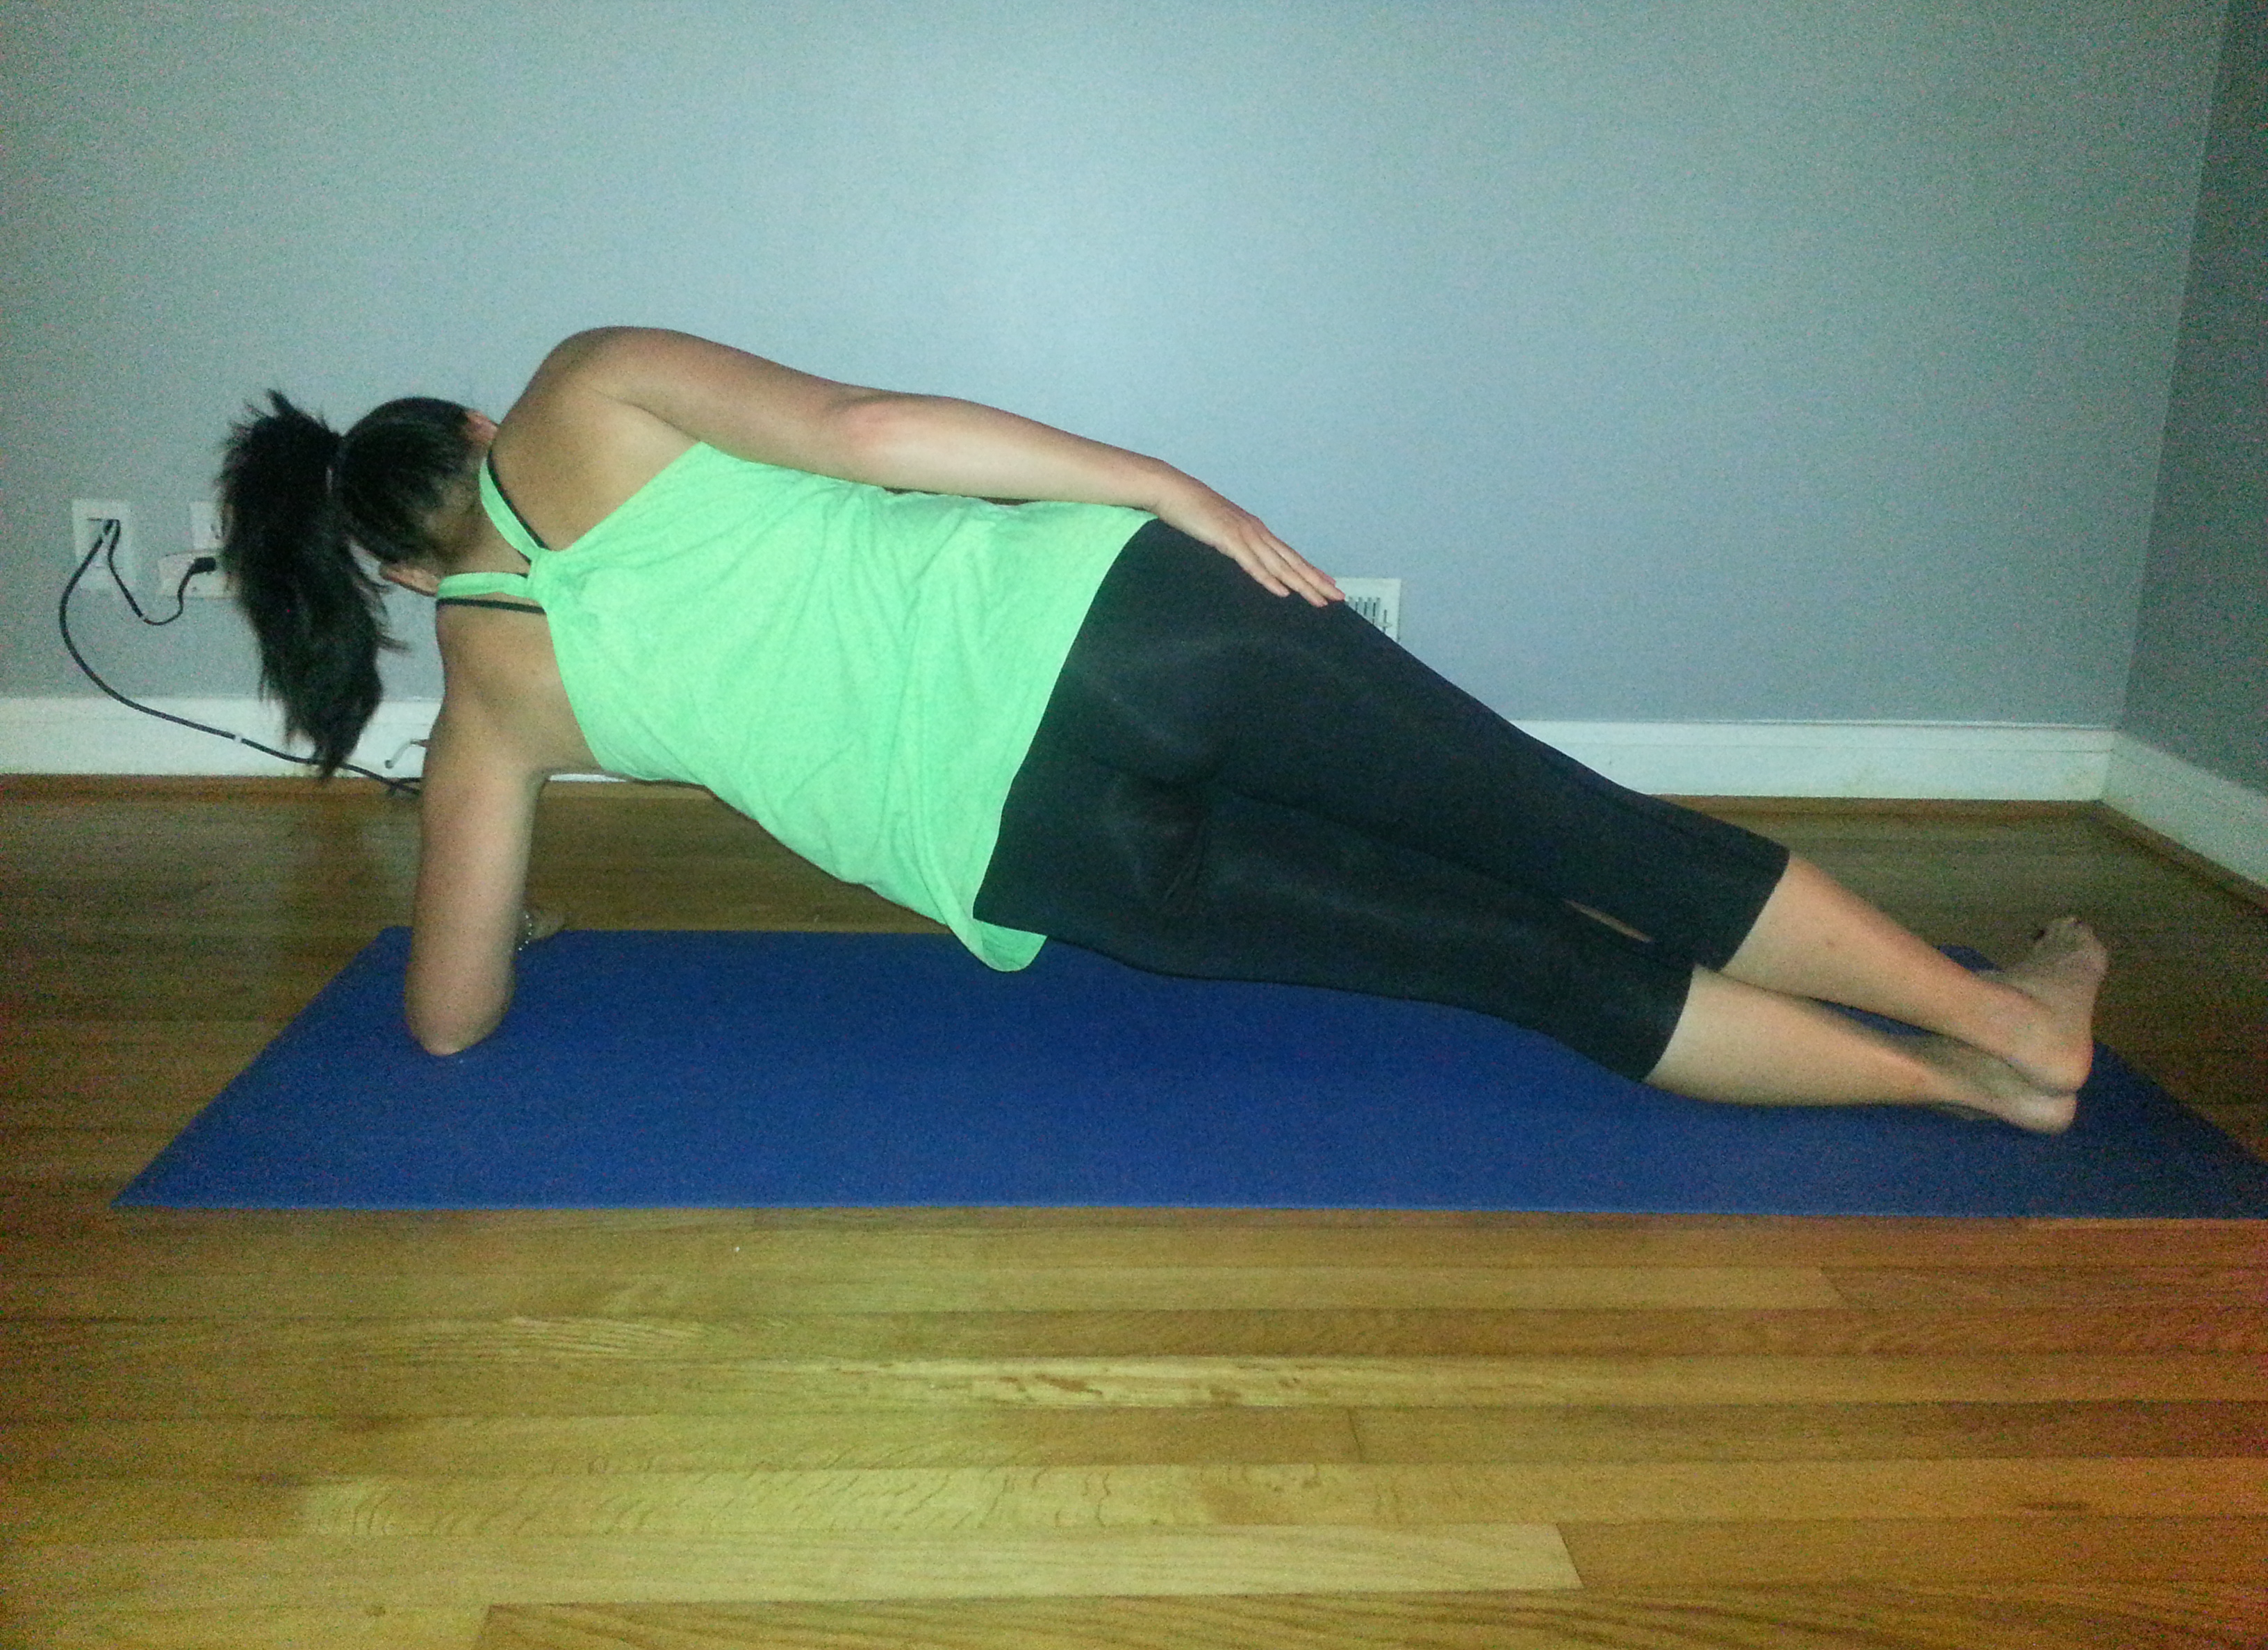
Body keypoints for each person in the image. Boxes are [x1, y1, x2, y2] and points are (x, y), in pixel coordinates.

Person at [218, 326, 2107, 1131]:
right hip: (1126, 633)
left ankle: (1975, 1094)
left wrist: (505, 909)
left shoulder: (483, 702)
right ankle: (2015, 1014)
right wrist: (1167, 487)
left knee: (1525, 961)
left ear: (393, 577)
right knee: (1580, 833)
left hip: (1045, 853)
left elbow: (447, 1019)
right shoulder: (584, 389)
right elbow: (873, 433)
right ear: (473, 431)